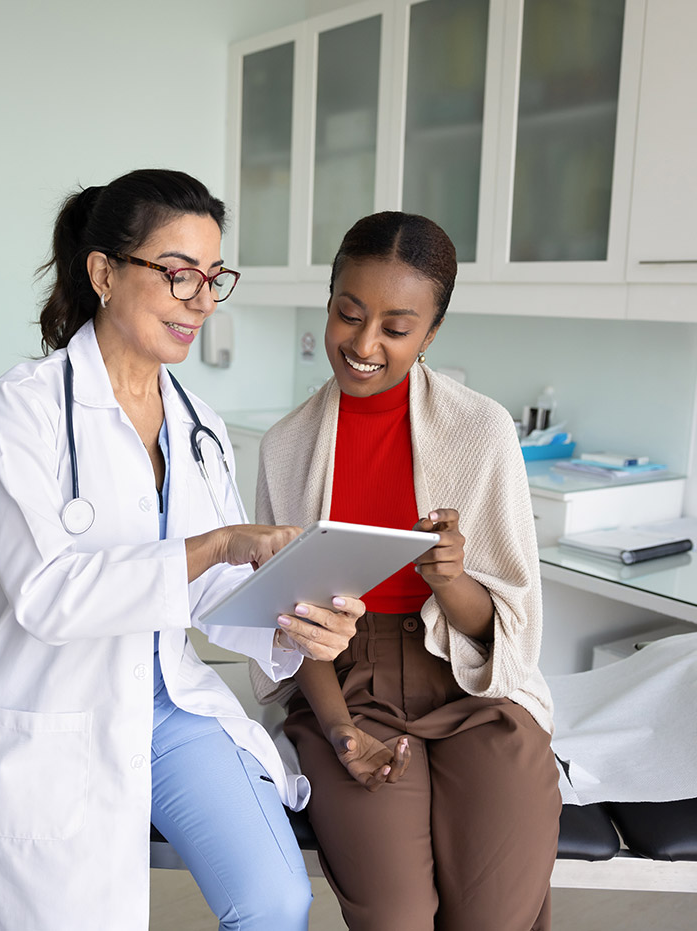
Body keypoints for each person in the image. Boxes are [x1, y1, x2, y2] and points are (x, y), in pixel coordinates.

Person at [0, 168, 365, 931]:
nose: (201, 301)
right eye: (178, 275)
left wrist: (295, 623)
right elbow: (47, 595)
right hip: (56, 708)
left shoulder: (198, 424)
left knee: (276, 900)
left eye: (213, 278)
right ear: (105, 272)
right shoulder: (23, 410)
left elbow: (214, 595)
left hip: (165, 706)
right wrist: (213, 545)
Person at [250, 211, 561, 930]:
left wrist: (450, 578)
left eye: (395, 328)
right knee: (394, 916)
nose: (363, 345)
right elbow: (290, 624)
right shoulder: (287, 446)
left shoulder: (481, 431)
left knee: (494, 913)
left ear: (431, 333)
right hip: (346, 683)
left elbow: (509, 633)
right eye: (348, 314)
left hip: (471, 684)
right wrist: (337, 734)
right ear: (328, 302)